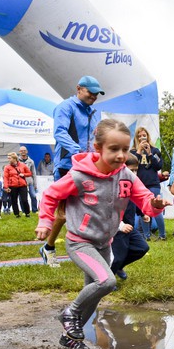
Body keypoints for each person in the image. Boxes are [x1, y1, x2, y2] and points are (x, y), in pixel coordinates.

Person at [35, 119, 169, 349]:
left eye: (125, 149)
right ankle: (70, 313)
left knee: (94, 296)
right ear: (98, 148)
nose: (121, 155)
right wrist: (45, 222)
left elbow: (145, 200)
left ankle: (70, 337)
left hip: (104, 243)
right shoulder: (80, 176)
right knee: (107, 281)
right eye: (114, 149)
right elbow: (51, 194)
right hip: (80, 243)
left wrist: (155, 205)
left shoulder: (126, 175)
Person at [42, 75, 104, 267]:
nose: (94, 96)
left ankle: (90, 250)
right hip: (67, 165)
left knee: (91, 209)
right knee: (62, 214)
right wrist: (78, 151)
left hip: (89, 166)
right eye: (90, 92)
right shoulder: (65, 107)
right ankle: (48, 248)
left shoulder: (95, 113)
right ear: (79, 88)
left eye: (96, 94)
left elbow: (97, 138)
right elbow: (59, 132)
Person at [110, 154, 150, 281]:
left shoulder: (132, 185)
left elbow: (135, 201)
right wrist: (120, 225)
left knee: (142, 248)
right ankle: (107, 280)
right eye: (131, 170)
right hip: (117, 228)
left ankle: (119, 267)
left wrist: (143, 213)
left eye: (136, 170)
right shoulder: (114, 187)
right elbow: (108, 210)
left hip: (130, 227)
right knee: (118, 257)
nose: (134, 174)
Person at [131, 127, 166, 241]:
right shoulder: (133, 152)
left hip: (153, 183)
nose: (142, 138)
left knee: (157, 208)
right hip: (140, 185)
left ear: (148, 136)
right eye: (139, 136)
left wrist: (150, 153)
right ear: (136, 138)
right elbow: (132, 165)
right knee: (143, 210)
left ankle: (162, 235)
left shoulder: (155, 150)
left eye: (144, 135)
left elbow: (158, 166)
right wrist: (139, 151)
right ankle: (146, 235)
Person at [4, 152, 32, 217]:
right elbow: (5, 177)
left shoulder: (22, 165)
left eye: (10, 158)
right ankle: (17, 214)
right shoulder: (7, 167)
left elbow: (29, 173)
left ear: (14, 158)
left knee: (24, 200)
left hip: (22, 185)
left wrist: (23, 174)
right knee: (14, 200)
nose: (8, 160)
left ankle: (27, 213)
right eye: (8, 158)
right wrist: (6, 187)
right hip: (12, 185)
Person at [18, 146, 39, 213]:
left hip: (30, 182)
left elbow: (33, 173)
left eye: (24, 150)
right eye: (21, 151)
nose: (23, 152)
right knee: (22, 198)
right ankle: (24, 211)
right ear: (19, 152)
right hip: (21, 182)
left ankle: (34, 210)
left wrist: (35, 184)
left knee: (33, 196)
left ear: (27, 151)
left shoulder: (31, 161)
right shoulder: (17, 161)